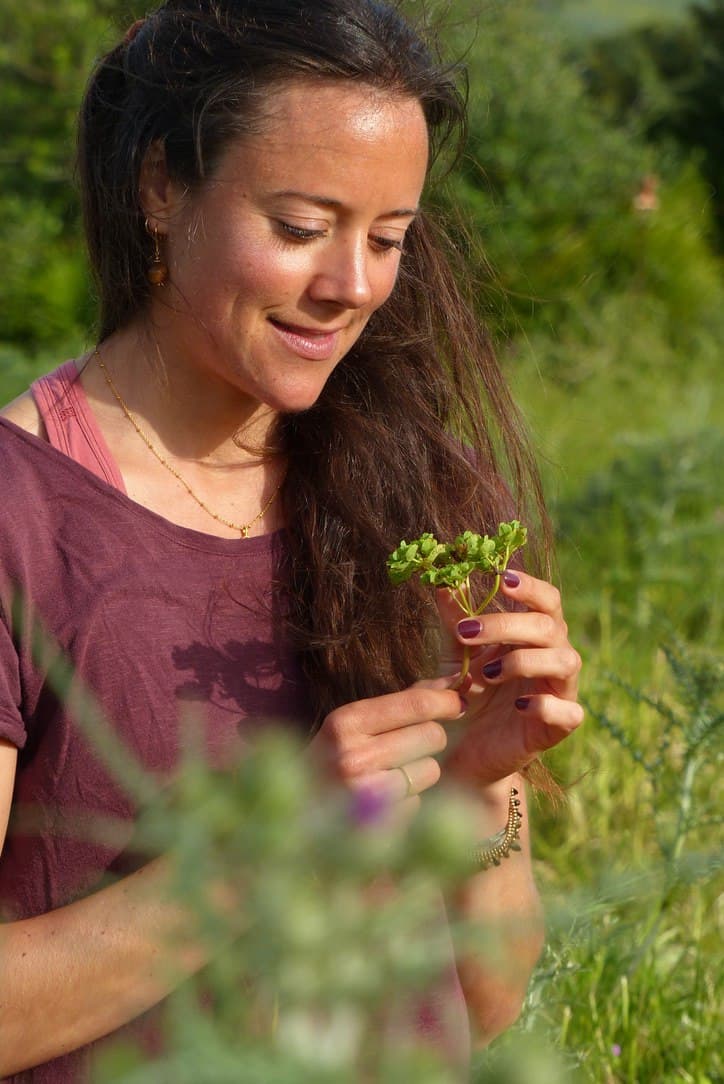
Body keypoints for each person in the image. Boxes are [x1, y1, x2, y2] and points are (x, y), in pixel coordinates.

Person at [0, 0, 583, 1079]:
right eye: (302, 227)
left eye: (388, 239)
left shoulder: (417, 499)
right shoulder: (20, 517)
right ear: (161, 190)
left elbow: (483, 1002)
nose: (351, 285)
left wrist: (473, 787)